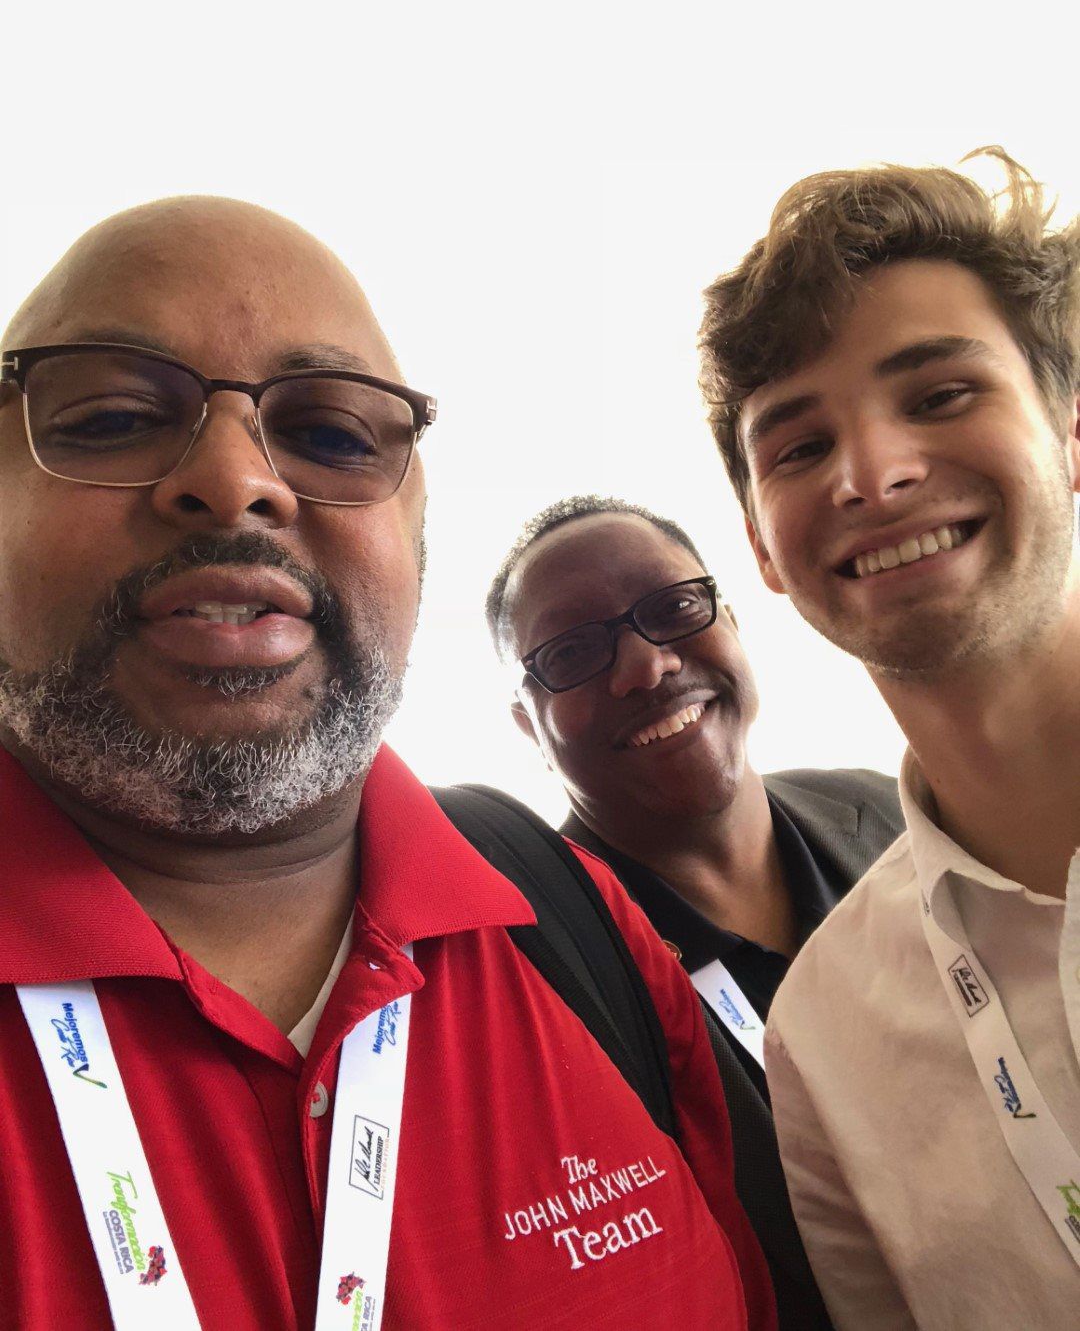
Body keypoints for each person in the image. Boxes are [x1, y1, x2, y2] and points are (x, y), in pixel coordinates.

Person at [0, 197, 775, 1330]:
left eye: (332, 435)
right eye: (115, 416)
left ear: (415, 537)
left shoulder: (577, 924)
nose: (234, 478)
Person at [698, 148, 1080, 1329]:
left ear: (1070, 431)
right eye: (800, 447)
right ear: (763, 545)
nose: (874, 472)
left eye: (940, 394)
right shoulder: (824, 1042)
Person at [486, 494, 903, 1329]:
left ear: (735, 623)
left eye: (673, 608)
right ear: (528, 725)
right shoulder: (533, 973)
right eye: (572, 650)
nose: (645, 668)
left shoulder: (890, 815)